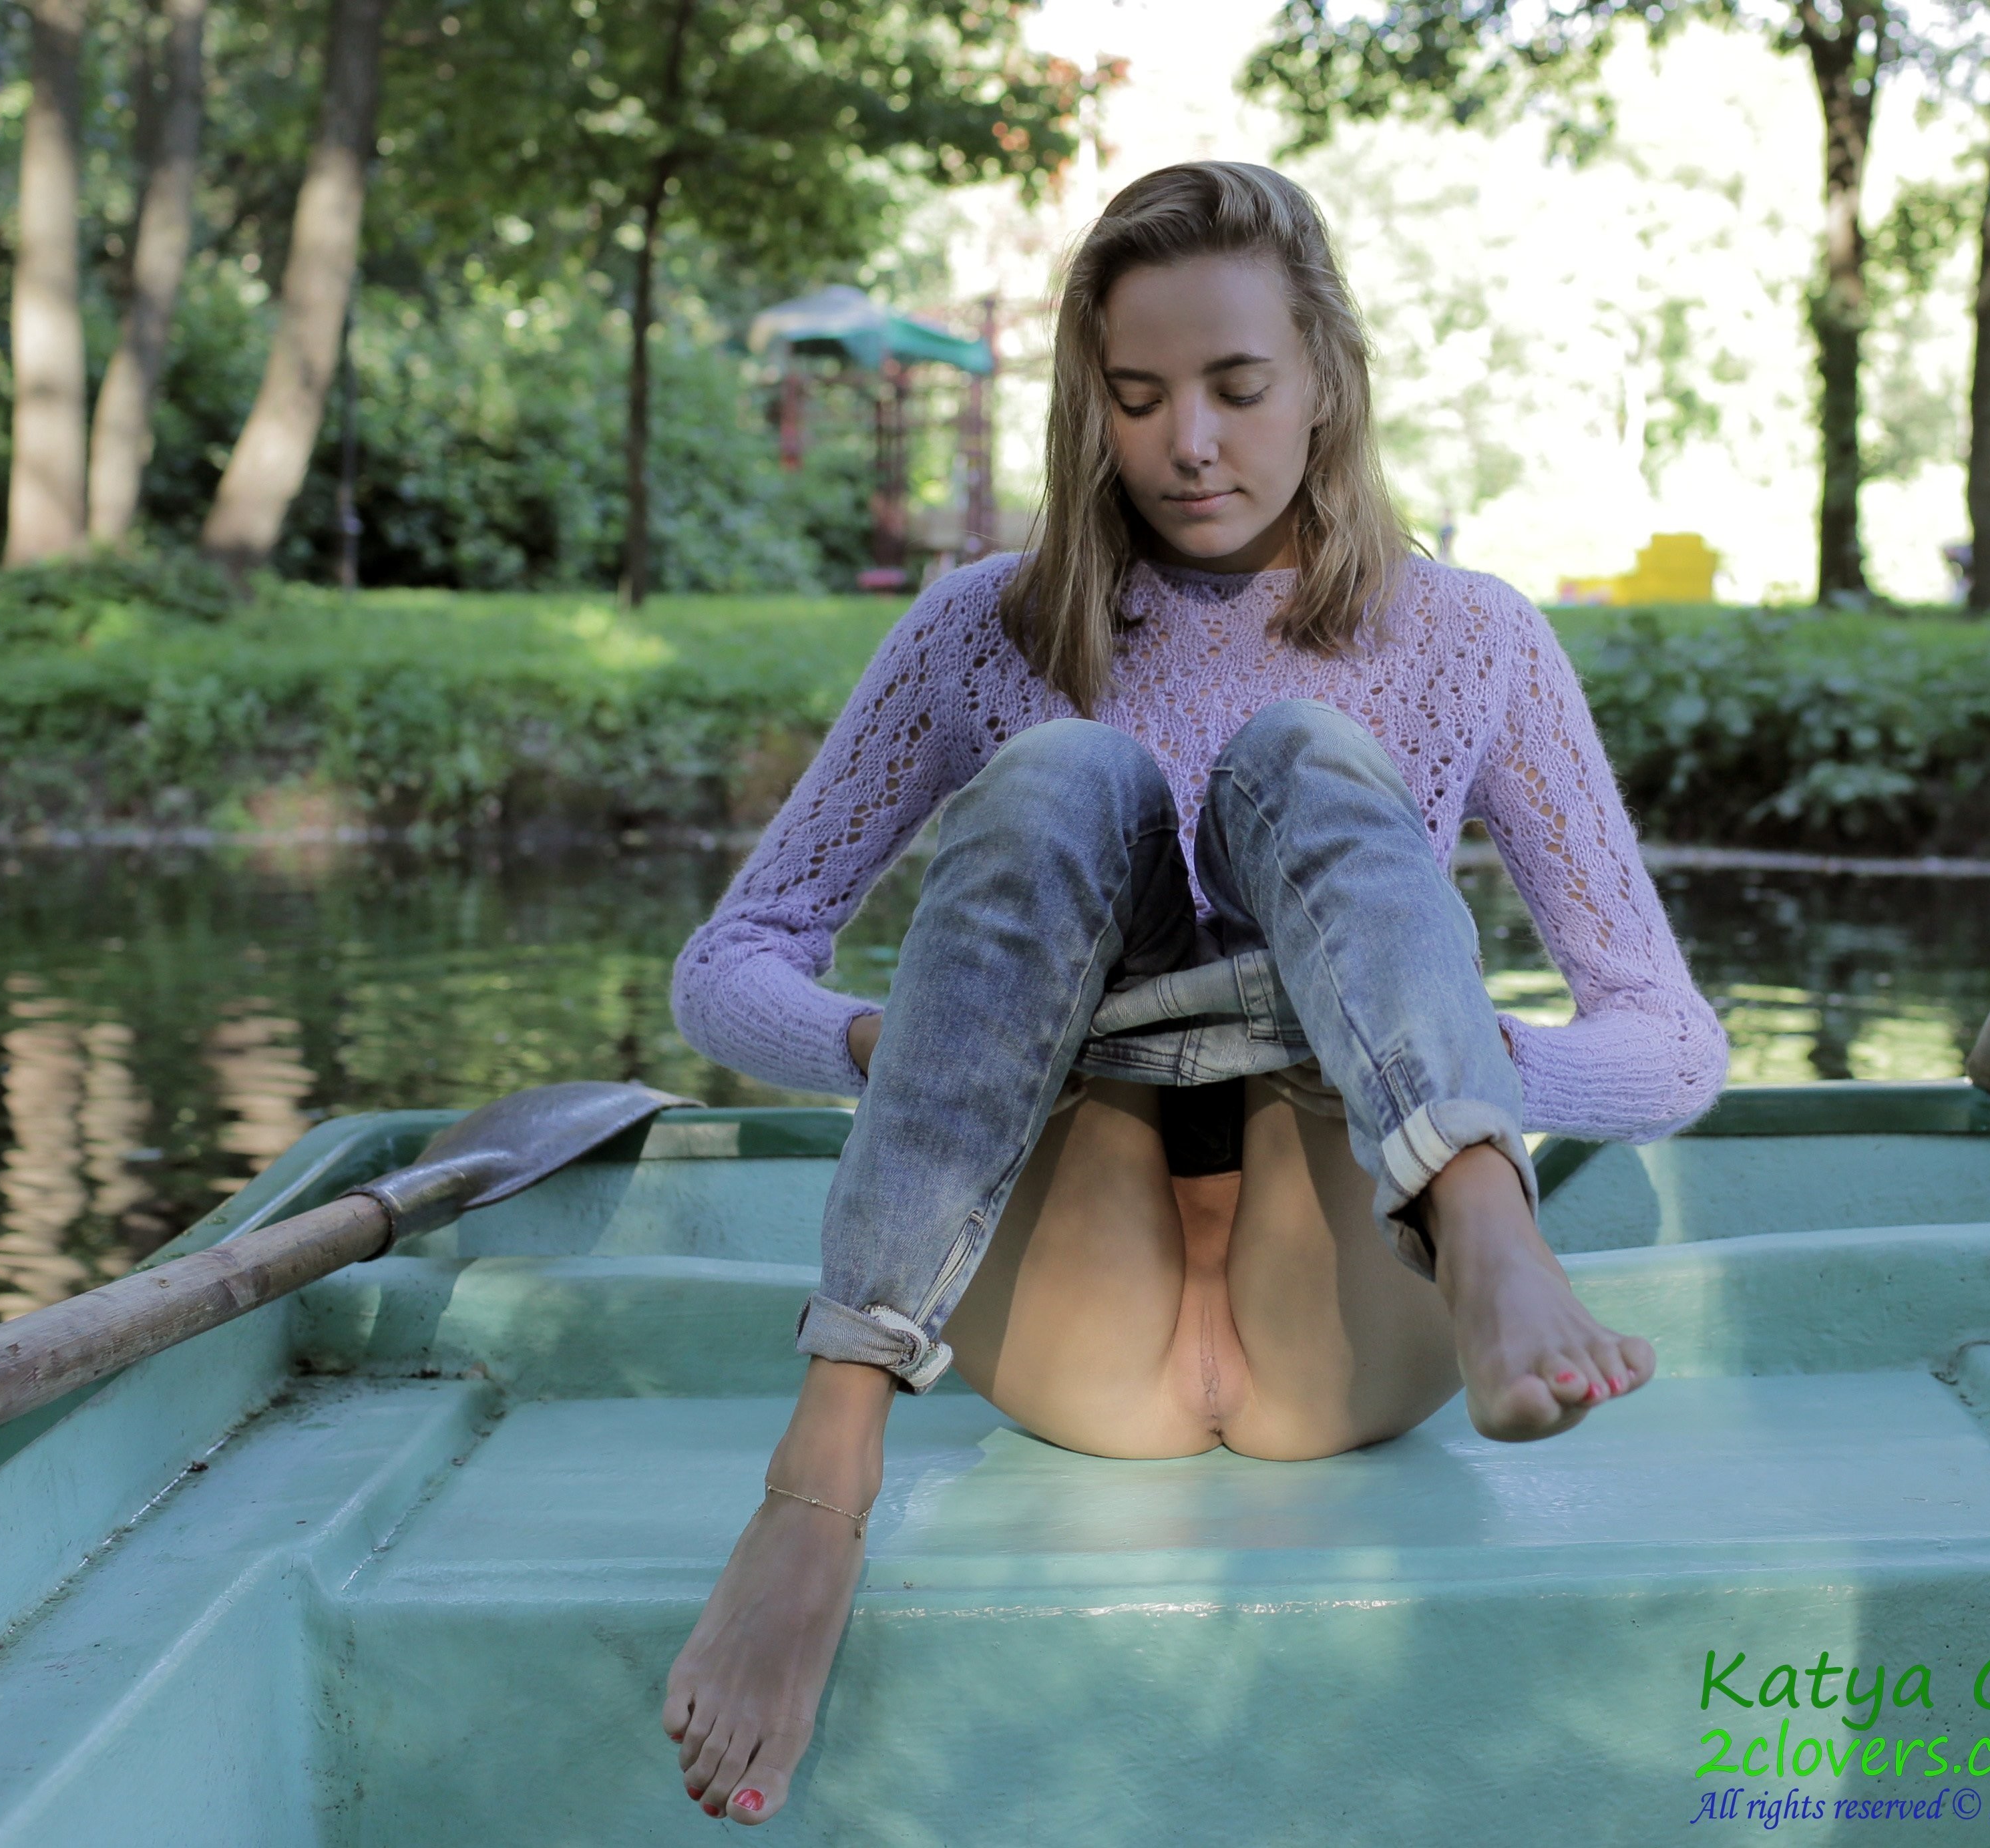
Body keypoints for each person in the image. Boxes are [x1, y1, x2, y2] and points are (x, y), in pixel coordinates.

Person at [658, 161, 1728, 1826]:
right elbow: (728, 971)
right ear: (1090, 403)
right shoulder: (981, 628)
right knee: (1062, 776)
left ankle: (1489, 1229)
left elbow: (1670, 1045)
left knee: (1304, 760)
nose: (1191, 443)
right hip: (1077, 1303)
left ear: (1325, 381)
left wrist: (1424, 1046)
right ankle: (823, 1469)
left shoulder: (1474, 638)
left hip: (1355, 1306)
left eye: (1237, 387)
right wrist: (921, 1037)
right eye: (1139, 395)